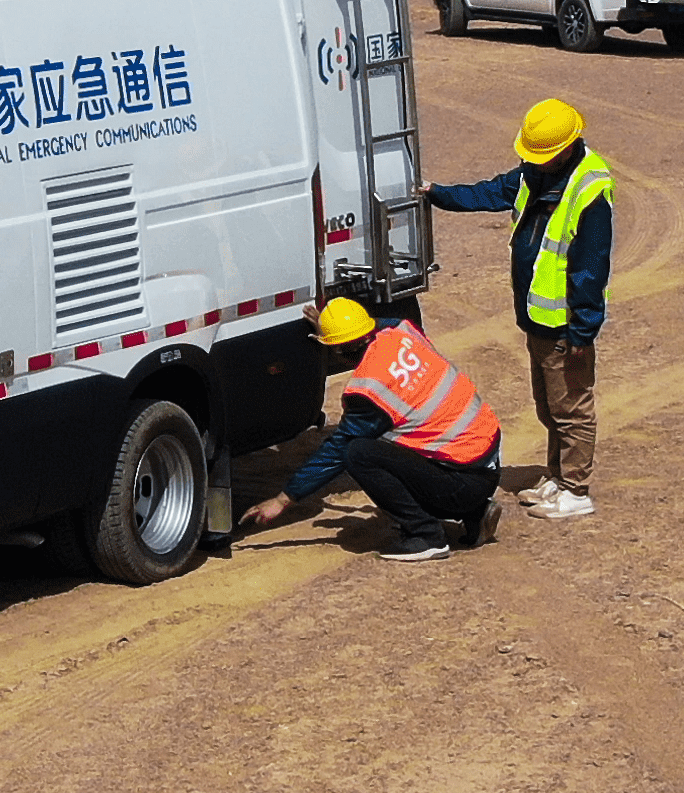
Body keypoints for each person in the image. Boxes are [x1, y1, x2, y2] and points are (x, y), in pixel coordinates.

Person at [421, 97, 612, 520]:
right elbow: (491, 192)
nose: (535, 162)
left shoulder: (590, 191)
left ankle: (576, 490)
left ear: (566, 147)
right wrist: (439, 195)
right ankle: (558, 477)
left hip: (565, 326)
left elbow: (590, 270)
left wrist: (583, 332)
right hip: (538, 319)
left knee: (572, 407)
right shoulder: (536, 175)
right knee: (549, 406)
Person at [237, 297, 503, 562]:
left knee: (359, 452)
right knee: (406, 432)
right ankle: (475, 513)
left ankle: (426, 536)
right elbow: (376, 325)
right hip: (486, 460)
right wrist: (336, 327)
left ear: (339, 351)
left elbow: (337, 450)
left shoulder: (368, 391)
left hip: (463, 481)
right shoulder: (402, 330)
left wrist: (283, 500)